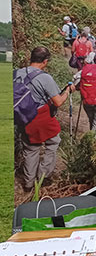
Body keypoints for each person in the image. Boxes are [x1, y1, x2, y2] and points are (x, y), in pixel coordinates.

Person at [14, 47, 74, 191]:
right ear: (45, 61)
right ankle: (43, 176)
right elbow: (58, 101)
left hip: (22, 117)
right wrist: (67, 92)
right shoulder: (44, 77)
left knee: (30, 149)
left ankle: (28, 184)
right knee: (53, 142)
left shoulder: (16, 73)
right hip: (40, 117)